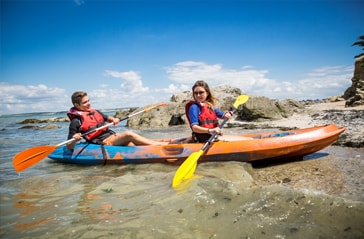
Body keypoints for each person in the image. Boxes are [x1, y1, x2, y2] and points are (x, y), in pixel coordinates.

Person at [66, 91, 168, 150]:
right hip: (103, 142)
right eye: (85, 102)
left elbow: (107, 118)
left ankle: (164, 144)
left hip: (112, 136)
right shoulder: (76, 121)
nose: (88, 103)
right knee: (129, 134)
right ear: (76, 105)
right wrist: (75, 139)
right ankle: (161, 146)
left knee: (132, 144)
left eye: (88, 100)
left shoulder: (94, 111)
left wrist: (113, 119)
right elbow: (69, 146)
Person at [186, 80, 251, 143]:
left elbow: (223, 116)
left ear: (207, 93)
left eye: (201, 92)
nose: (198, 95)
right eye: (195, 93)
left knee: (249, 139)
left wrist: (227, 114)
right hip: (206, 139)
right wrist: (210, 130)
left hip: (214, 136)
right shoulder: (194, 107)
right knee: (249, 140)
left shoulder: (209, 106)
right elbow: (194, 128)